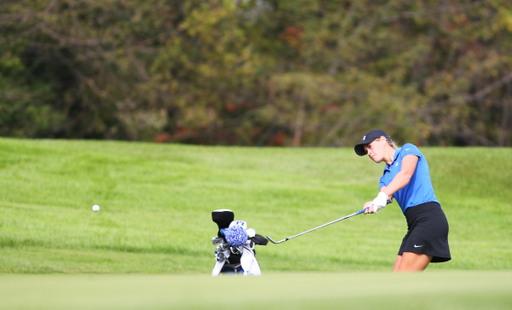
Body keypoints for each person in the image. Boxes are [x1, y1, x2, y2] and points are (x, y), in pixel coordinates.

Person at [354, 129, 451, 272]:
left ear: (382, 140)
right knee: (395, 281)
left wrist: (381, 197)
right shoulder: (385, 177)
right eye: (365, 150)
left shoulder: (408, 150)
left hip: (429, 220)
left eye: (370, 146)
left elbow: (405, 174)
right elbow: (385, 197)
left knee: (402, 282)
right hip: (413, 226)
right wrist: (373, 204)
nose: (368, 152)